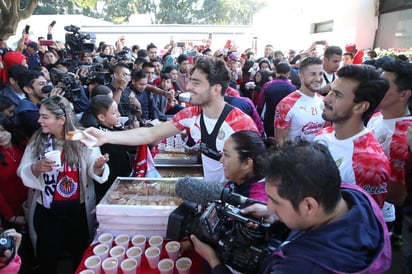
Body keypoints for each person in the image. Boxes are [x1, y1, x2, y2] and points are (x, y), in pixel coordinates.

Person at [190, 140, 391, 273]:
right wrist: (276, 217)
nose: (268, 206)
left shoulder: (297, 267)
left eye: (275, 201)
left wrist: (214, 261)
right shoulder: (356, 195)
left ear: (309, 206)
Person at [86, 56, 258, 183]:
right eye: (191, 81)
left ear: (216, 89)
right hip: (211, 197)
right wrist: (106, 136)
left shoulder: (241, 123)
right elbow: (150, 134)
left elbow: (257, 174)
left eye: (196, 83)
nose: (189, 87)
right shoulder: (191, 114)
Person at [17, 95, 109, 274]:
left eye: (45, 117)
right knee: (47, 258)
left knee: (80, 256)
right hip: (47, 209)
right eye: (40, 116)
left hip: (78, 210)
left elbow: (94, 169)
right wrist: (35, 168)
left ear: (61, 119)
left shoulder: (83, 138)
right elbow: (22, 170)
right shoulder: (38, 140)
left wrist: (98, 167)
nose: (39, 120)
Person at [314, 64, 391, 220]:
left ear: (360, 107)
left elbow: (366, 223)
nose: (326, 98)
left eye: (337, 95)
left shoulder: (369, 163)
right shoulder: (325, 134)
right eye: (330, 90)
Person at [367, 59, 412, 248]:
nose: (377, 88)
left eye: (384, 85)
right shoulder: (376, 115)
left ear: (403, 95)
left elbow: (398, 196)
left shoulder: (405, 137)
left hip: (377, 216)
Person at [90, 95, 137, 202]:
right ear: (101, 117)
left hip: (123, 182)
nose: (119, 115)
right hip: (110, 188)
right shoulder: (102, 136)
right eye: (114, 113)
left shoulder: (116, 128)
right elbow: (129, 144)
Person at [274, 57, 326, 147]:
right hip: (295, 159)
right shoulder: (286, 105)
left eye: (320, 74)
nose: (318, 78)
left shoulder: (325, 101)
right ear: (301, 76)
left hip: (319, 158)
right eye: (313, 74)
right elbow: (280, 140)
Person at [221, 130, 269, 204]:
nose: (221, 160)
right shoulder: (236, 182)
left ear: (246, 163)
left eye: (226, 155)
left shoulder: (254, 204)